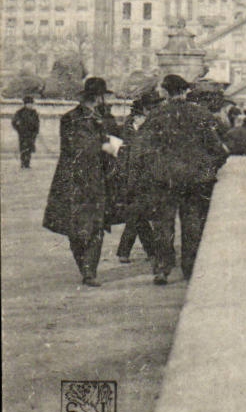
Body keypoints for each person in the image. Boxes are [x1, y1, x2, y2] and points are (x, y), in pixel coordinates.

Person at [130, 74, 228, 285]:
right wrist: (208, 168)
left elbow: (139, 150)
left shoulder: (156, 115)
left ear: (165, 92)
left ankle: (162, 269)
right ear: (186, 91)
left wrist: (149, 171)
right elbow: (218, 149)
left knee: (163, 226)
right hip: (195, 181)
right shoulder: (200, 114)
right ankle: (190, 270)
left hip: (164, 180)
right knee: (192, 226)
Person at [42, 77, 121, 287]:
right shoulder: (71, 119)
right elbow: (76, 147)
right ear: (97, 97)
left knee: (97, 225)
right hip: (75, 179)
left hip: (98, 178)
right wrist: (103, 146)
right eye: (103, 97)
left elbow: (116, 138)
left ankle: (89, 271)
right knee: (75, 227)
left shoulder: (103, 118)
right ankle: (85, 267)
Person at [115, 90, 165, 265]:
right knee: (137, 212)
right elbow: (126, 150)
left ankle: (132, 251)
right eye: (152, 107)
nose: (155, 110)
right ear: (144, 108)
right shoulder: (133, 125)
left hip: (147, 174)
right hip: (135, 175)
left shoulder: (151, 123)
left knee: (138, 213)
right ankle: (143, 251)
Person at [12, 94, 40, 168]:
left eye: (31, 103)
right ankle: (23, 163)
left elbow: (37, 123)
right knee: (23, 148)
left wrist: (36, 131)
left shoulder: (34, 112)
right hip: (23, 133)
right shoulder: (20, 112)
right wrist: (19, 129)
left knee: (29, 148)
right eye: (28, 103)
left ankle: (27, 163)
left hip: (32, 133)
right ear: (25, 104)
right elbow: (14, 122)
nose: (30, 105)